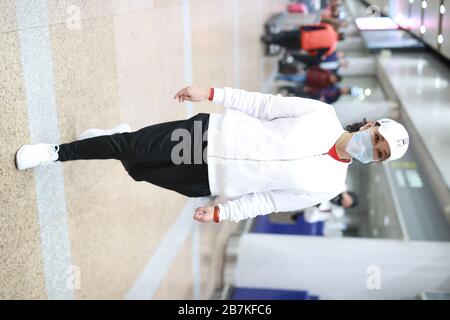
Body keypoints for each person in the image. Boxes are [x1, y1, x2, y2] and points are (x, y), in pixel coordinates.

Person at [15, 86, 409, 223]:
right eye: (377, 139)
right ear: (370, 125)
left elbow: (269, 201)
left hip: (210, 180)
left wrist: (223, 212)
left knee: (137, 167)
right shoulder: (322, 114)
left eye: (379, 154)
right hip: (208, 137)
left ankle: (117, 140)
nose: (371, 149)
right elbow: (263, 104)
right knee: (133, 147)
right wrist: (214, 94)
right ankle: (55, 152)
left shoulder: (329, 185)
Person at [261, 23, 341, 60]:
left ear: (338, 33)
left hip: (303, 34)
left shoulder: (329, 28)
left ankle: (270, 37)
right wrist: (309, 50)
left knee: (285, 35)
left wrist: (304, 27)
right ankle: (270, 41)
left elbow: (315, 26)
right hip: (303, 45)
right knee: (285, 43)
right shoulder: (331, 48)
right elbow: (317, 53)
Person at [279, 84, 352, 104]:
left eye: (346, 91)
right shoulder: (334, 86)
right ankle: (283, 88)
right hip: (313, 90)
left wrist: (323, 100)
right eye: (346, 89)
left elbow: (328, 103)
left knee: (298, 97)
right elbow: (322, 85)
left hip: (313, 98)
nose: (344, 90)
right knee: (296, 90)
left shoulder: (336, 97)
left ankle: (284, 98)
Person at [276, 65, 342, 86]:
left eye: (334, 80)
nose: (333, 79)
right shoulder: (327, 72)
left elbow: (316, 87)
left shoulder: (326, 84)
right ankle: (280, 77)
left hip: (306, 81)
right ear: (334, 76)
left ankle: (281, 77)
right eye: (334, 78)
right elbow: (317, 68)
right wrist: (308, 69)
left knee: (292, 79)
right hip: (307, 74)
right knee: (293, 78)